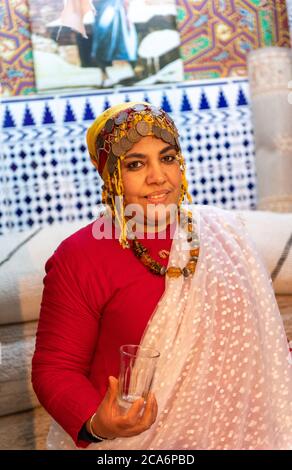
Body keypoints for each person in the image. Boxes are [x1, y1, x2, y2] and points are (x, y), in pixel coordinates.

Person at [31, 102, 292, 450]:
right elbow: (56, 367)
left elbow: (258, 340)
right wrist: (97, 422)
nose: (158, 177)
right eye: (136, 164)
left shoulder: (224, 233)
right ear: (104, 170)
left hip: (247, 434)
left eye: (167, 158)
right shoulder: (80, 257)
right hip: (137, 443)